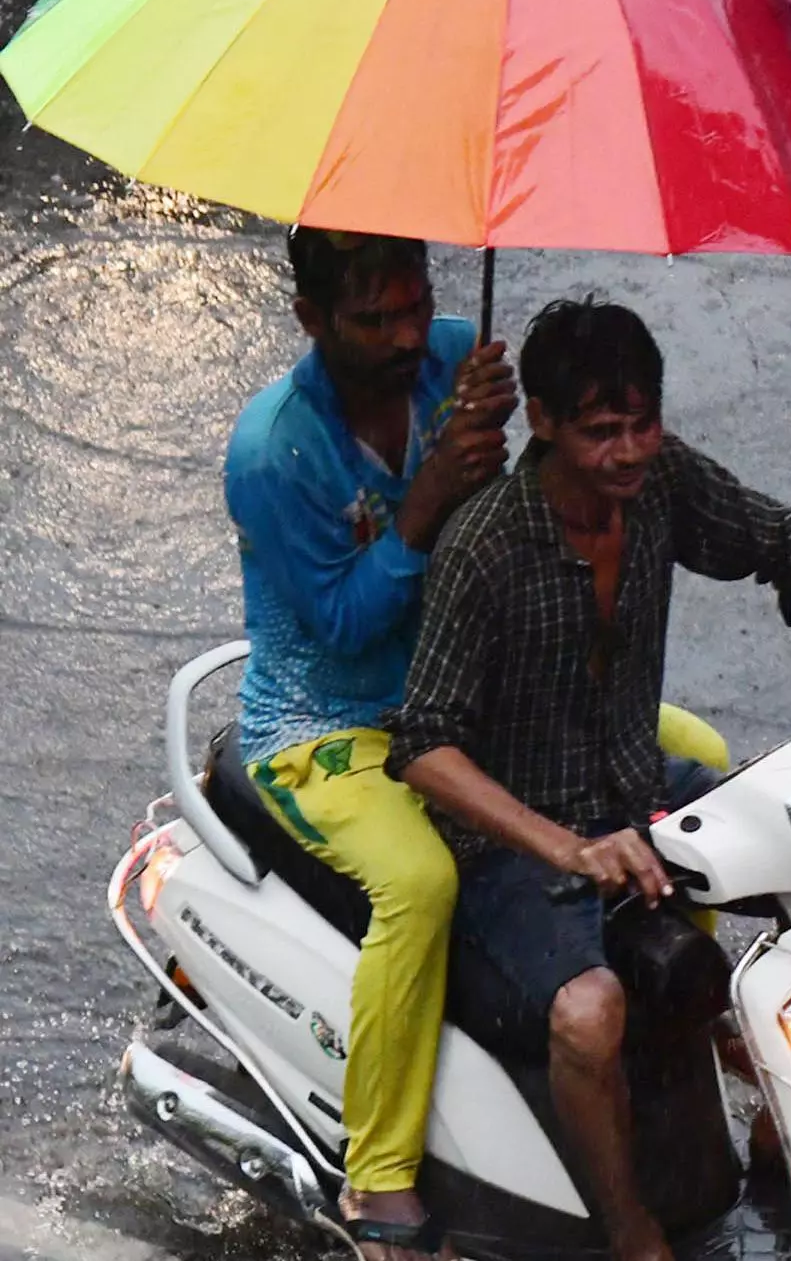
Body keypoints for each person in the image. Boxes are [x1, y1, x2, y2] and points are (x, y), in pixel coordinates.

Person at [387, 299, 791, 1261]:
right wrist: (566, 847)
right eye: (600, 431)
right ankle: (633, 1233)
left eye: (641, 423)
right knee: (589, 1014)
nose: (626, 451)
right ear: (542, 420)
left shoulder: (660, 485)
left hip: (638, 785)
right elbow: (423, 746)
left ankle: (788, 1136)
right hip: (515, 845)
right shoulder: (483, 545)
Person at [224, 229, 514, 1261]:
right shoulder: (275, 451)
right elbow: (345, 623)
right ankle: (379, 1170)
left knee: (684, 753)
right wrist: (431, 493)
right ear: (311, 318)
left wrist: (498, 444)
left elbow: (501, 534)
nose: (405, 337)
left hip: (457, 688)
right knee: (420, 881)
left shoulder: (455, 360)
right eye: (374, 319)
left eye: (416, 305)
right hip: (324, 727)